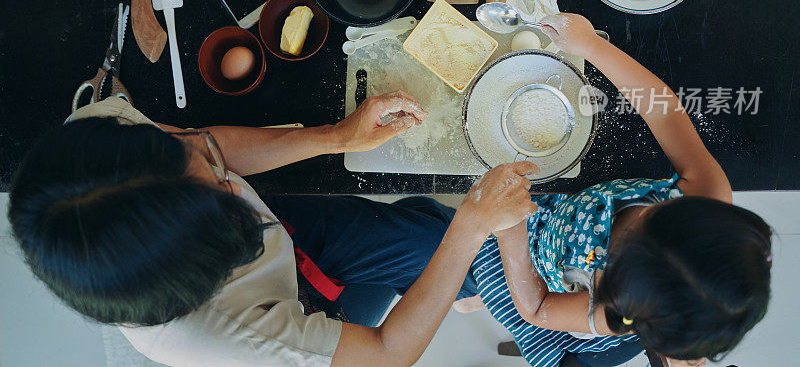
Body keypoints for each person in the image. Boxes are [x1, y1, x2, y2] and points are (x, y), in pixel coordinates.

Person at [8, 91, 537, 366]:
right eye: (219, 185)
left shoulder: (96, 148)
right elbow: (386, 353)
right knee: (450, 245)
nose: (218, 162)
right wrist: (468, 228)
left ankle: (457, 275)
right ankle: (461, 280)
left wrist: (336, 137)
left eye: (180, 146)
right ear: (215, 255)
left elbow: (207, 145)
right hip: (295, 300)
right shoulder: (231, 337)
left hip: (280, 238)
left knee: (424, 233)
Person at [457, 13, 772, 367]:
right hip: (555, 207)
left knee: (466, 273)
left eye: (621, 239)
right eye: (651, 212)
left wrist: (510, 225)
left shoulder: (614, 308)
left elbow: (537, 307)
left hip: (526, 258)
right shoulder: (709, 193)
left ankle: (474, 293)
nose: (632, 217)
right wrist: (592, 46)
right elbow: (665, 113)